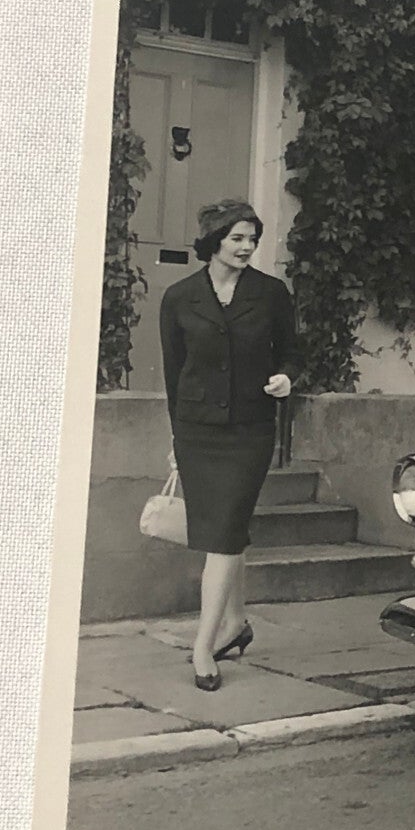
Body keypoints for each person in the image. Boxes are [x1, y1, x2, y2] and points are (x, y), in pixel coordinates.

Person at [159, 199, 300, 691]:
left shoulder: (271, 293)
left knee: (221, 536)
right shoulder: (178, 297)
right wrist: (177, 440)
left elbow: (291, 352)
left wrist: (285, 377)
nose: (247, 247)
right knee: (229, 531)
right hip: (198, 431)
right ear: (213, 239)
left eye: (252, 239)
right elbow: (174, 375)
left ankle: (203, 646)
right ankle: (236, 623)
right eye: (237, 238)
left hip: (249, 430)